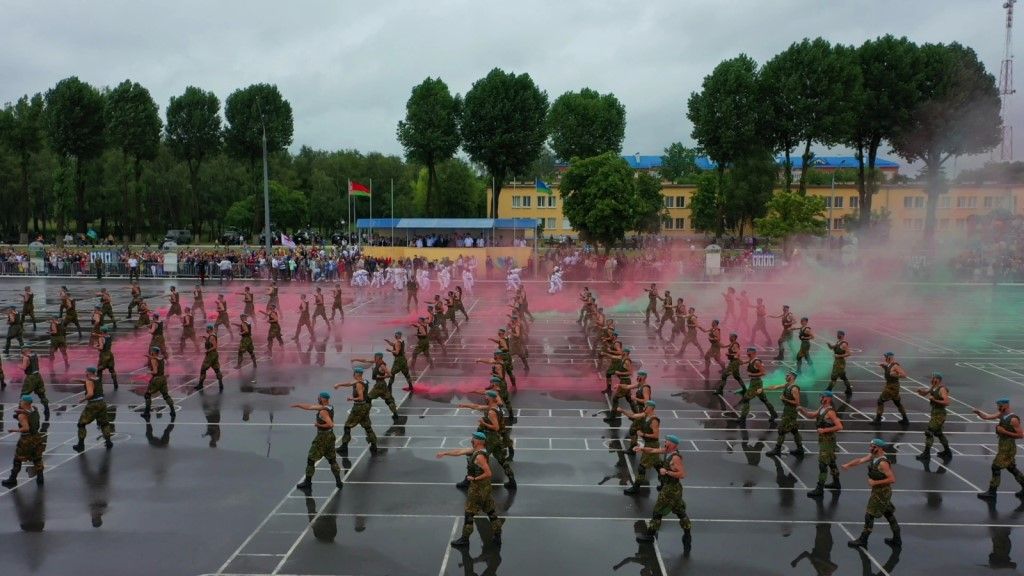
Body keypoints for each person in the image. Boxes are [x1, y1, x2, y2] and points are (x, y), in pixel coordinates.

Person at [438, 432, 504, 548]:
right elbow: (459, 452)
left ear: (478, 441)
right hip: (486, 488)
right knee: (490, 511)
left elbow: (488, 473)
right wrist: (445, 453)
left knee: (469, 513)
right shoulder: (479, 451)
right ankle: (498, 536)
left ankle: (465, 539)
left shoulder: (479, 456)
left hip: (477, 489)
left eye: (473, 438)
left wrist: (474, 478)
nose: (471, 440)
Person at [633, 434, 691, 549]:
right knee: (680, 511)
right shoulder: (668, 452)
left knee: (658, 511)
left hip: (670, 489)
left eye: (667, 442)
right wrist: (642, 448)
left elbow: (682, 474)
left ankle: (650, 535)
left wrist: (667, 472)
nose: (665, 443)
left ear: (673, 445)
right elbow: (654, 449)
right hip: (675, 489)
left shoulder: (675, 457)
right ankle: (687, 535)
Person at [843, 439, 901, 549]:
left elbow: (892, 479)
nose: (870, 448)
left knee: (869, 515)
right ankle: (897, 539)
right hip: (879, 491)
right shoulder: (874, 456)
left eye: (873, 446)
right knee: (888, 514)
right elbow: (860, 460)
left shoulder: (883, 463)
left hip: (881, 493)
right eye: (870, 446)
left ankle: (863, 539)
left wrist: (875, 482)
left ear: (879, 448)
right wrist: (848, 465)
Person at [457, 390, 517, 490]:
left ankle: (468, 481)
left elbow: (496, 427)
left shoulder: (491, 412)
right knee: (502, 460)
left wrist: (483, 423)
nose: (485, 398)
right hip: (496, 439)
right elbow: (477, 407)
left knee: (474, 456)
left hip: (489, 438)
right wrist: (465, 405)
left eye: (486, 397)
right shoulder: (495, 408)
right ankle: (512, 481)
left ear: (491, 398)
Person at [974, 398, 1024, 502]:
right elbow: (987, 417)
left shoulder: (1013, 419)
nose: (998, 408)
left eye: (1000, 406)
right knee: (1011, 468)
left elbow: (1020, 435)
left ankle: (992, 492)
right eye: (998, 406)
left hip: (1008, 448)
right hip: (1003, 446)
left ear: (1006, 406)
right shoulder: (1002, 414)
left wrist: (1004, 431)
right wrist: (979, 413)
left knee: (995, 466)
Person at [293, 392, 345, 491]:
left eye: (320, 397)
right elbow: (310, 407)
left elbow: (330, 424)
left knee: (311, 459)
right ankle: (338, 481)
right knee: (332, 460)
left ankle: (308, 483)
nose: (318, 398)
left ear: (324, 399)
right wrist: (299, 405)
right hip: (330, 436)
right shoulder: (329, 407)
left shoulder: (322, 412)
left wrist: (319, 425)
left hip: (322, 438)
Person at [801, 391, 843, 498]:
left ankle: (820, 489)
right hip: (824, 440)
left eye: (822, 396)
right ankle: (836, 483)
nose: (820, 398)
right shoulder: (821, 408)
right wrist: (802, 410)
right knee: (832, 462)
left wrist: (825, 430)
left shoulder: (830, 412)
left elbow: (839, 426)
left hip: (828, 441)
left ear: (828, 398)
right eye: (820, 396)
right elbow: (812, 415)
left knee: (823, 464)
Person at [1, 395, 45, 488]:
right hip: (36, 437)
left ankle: (12, 479)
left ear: (25, 403)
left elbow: (26, 428)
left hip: (26, 439)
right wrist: (20, 411)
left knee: (18, 459)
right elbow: (29, 413)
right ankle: (40, 477)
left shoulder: (22, 415)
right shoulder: (34, 410)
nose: (20, 402)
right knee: (37, 458)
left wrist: (14, 430)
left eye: (21, 401)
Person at [334, 367, 378, 455]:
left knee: (347, 426)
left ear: (357, 374)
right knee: (367, 426)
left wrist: (352, 398)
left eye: (354, 373)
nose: (353, 374)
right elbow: (350, 383)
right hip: (364, 407)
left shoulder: (358, 384)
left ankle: (344, 446)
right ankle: (374, 444)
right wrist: (339, 384)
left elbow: (361, 397)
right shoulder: (363, 381)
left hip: (359, 407)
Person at [620, 400, 661, 495]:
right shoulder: (645, 415)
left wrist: (643, 434)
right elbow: (633, 416)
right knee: (657, 464)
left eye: (646, 406)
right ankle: (664, 482)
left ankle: (636, 488)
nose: (644, 407)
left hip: (652, 444)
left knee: (642, 467)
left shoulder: (654, 420)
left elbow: (656, 435)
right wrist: (623, 411)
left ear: (650, 408)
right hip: (648, 443)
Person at [764, 370, 805, 457]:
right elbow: (775, 387)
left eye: (788, 375)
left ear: (792, 377)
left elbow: (797, 403)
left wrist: (785, 399)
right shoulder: (787, 385)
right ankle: (800, 449)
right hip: (787, 410)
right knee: (794, 430)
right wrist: (763, 388)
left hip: (791, 412)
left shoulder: (794, 388)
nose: (786, 376)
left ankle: (777, 449)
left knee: (781, 430)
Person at [73, 367, 114, 453]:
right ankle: (108, 442)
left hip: (93, 405)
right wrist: (78, 380)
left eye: (86, 371)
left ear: (89, 372)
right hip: (102, 403)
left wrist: (83, 399)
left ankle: (80, 445)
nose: (85, 373)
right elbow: (89, 382)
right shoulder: (97, 378)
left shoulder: (89, 381)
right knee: (104, 423)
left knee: (81, 424)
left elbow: (90, 393)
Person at [735, 348, 778, 427]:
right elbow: (741, 363)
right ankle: (774, 413)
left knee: (746, 398)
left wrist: (752, 374)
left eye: (749, 354)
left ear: (754, 353)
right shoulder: (751, 360)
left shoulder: (757, 362)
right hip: (753, 382)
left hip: (756, 383)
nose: (748, 355)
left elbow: (763, 372)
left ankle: (742, 418)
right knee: (764, 399)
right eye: (747, 354)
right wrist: (737, 357)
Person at [915, 372, 952, 461]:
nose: (932, 380)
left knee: (929, 432)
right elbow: (925, 393)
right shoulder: (933, 387)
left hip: (940, 414)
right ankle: (947, 452)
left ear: (938, 380)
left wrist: (934, 400)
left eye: (934, 378)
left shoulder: (942, 389)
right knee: (938, 433)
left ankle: (926, 454)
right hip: (935, 413)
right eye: (932, 378)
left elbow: (947, 402)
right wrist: (920, 392)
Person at [352, 353, 400, 419]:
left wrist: (381, 376)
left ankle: (365, 414)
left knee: (368, 398)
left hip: (379, 384)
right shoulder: (376, 362)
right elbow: (365, 360)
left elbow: (390, 374)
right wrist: (355, 359)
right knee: (388, 399)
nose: (374, 358)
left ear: (378, 357)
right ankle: (395, 414)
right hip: (382, 384)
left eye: (375, 357)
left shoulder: (382, 365)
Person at [874, 352, 909, 426]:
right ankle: (905, 419)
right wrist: (884, 366)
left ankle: (878, 419)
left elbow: (904, 375)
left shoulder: (895, 365)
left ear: (889, 357)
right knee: (897, 402)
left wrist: (895, 375)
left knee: (880, 400)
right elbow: (888, 369)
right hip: (890, 385)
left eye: (886, 357)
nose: (885, 358)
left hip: (892, 387)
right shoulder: (889, 365)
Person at [141, 347, 175, 422]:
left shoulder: (153, 360)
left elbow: (155, 371)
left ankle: (147, 413)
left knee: (147, 395)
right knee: (166, 395)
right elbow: (156, 359)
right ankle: (173, 411)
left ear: (153, 352)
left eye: (151, 351)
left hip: (156, 379)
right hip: (163, 379)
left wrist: (148, 372)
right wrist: (149, 357)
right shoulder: (161, 358)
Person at [195, 324, 224, 392]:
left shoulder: (212, 337)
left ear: (209, 329)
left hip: (211, 355)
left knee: (203, 369)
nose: (206, 329)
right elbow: (211, 342)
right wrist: (205, 338)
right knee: (217, 369)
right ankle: (221, 384)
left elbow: (214, 346)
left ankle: (200, 384)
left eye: (207, 328)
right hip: (214, 354)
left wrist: (208, 350)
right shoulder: (211, 336)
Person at [825, 330, 853, 396]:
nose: (838, 335)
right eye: (837, 334)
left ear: (842, 335)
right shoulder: (838, 342)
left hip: (840, 363)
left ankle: (828, 389)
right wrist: (829, 345)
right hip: (837, 362)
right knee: (843, 377)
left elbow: (849, 353)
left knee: (834, 377)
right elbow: (832, 347)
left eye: (839, 334)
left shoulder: (844, 344)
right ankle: (849, 390)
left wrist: (839, 356)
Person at [95, 326, 118, 390]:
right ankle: (115, 383)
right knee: (112, 369)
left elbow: (101, 348)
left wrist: (95, 347)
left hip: (103, 355)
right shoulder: (109, 336)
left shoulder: (100, 338)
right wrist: (96, 335)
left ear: (102, 331)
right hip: (110, 354)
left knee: (99, 370)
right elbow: (104, 337)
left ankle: (99, 386)